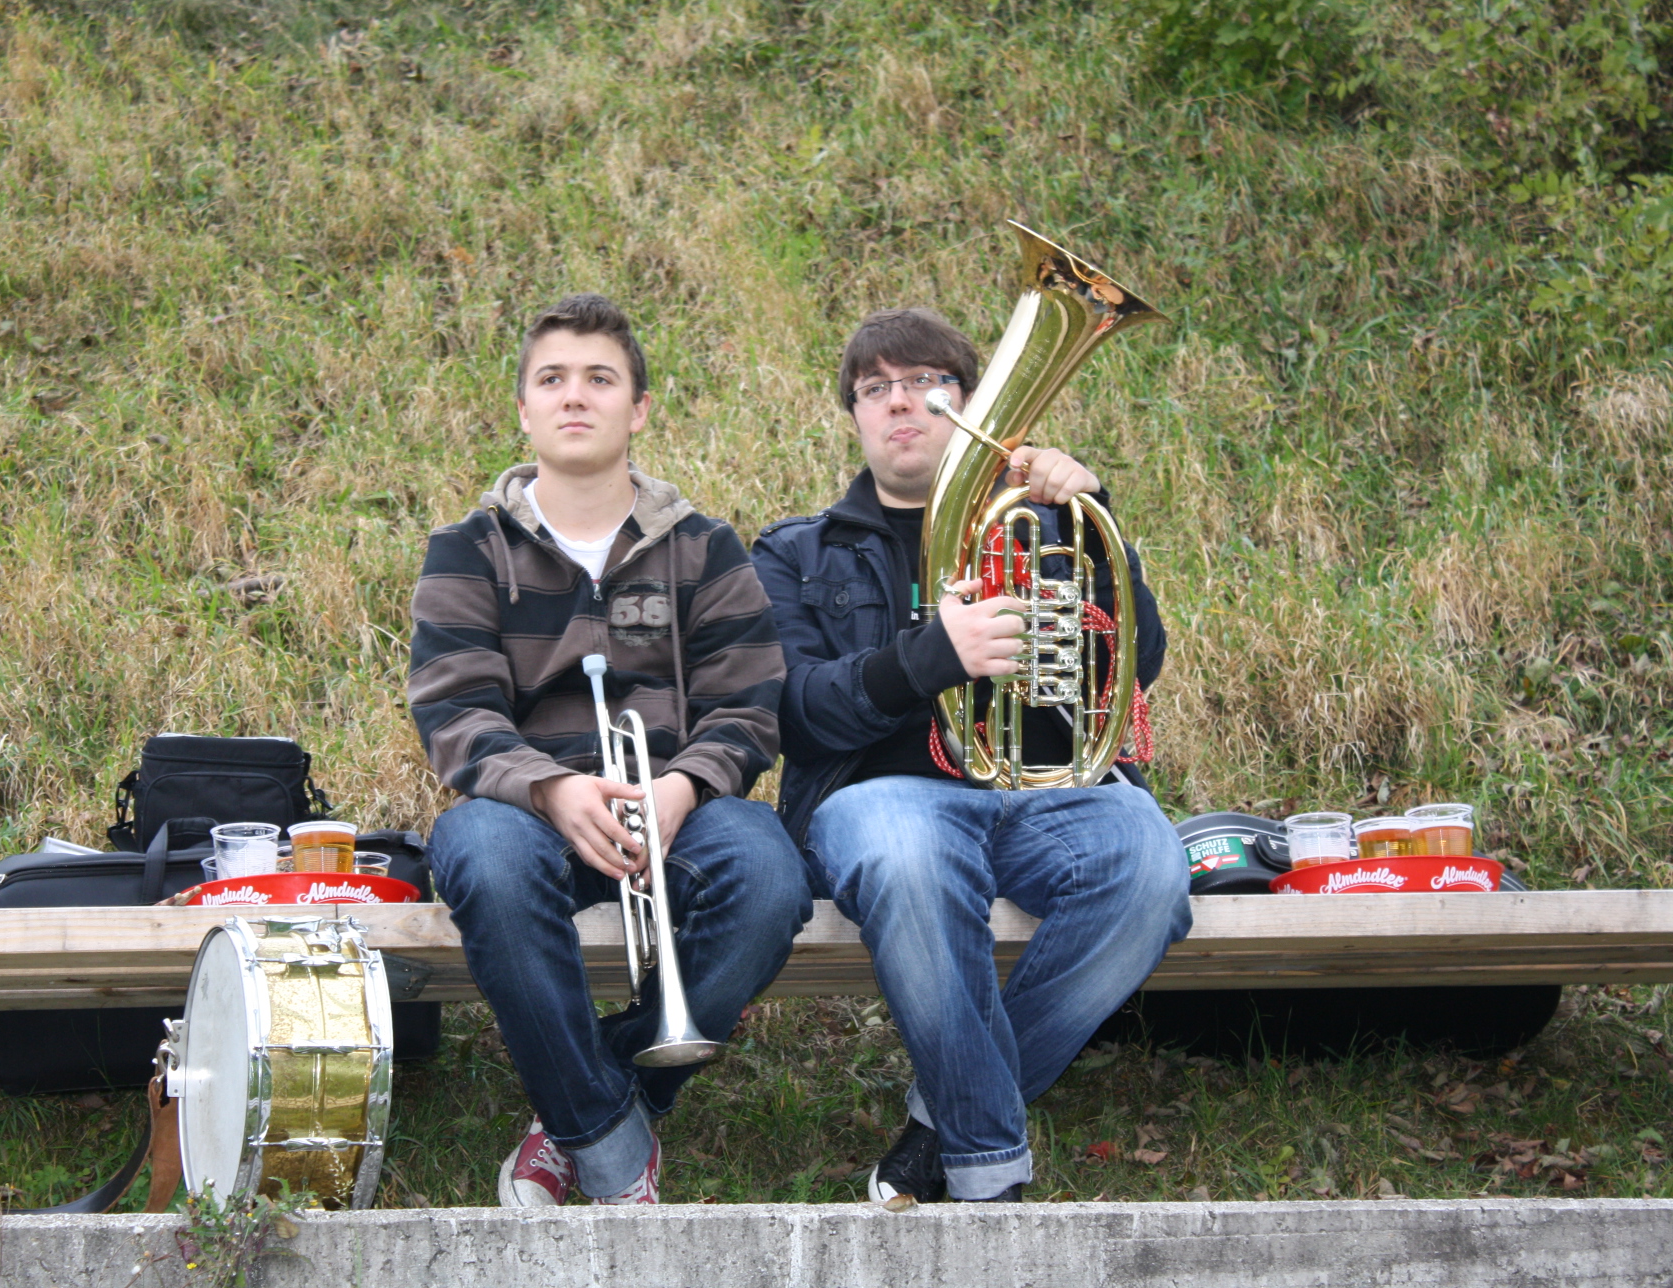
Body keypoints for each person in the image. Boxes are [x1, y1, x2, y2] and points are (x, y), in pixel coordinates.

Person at [749, 307, 1191, 1203]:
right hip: (885, 796)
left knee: (1150, 869)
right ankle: (989, 1170)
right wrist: (931, 658)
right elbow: (793, 712)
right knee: (908, 858)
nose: (900, 402)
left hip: (1051, 794)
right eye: (876, 388)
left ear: (972, 404)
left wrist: (1097, 523)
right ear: (855, 415)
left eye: (927, 382)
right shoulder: (795, 552)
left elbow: (1136, 668)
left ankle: (939, 1122)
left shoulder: (1049, 526)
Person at [409, 293, 812, 1207]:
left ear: (638, 409)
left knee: (769, 876)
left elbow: (749, 702)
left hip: (673, 807)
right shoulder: (468, 550)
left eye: (600, 378)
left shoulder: (703, 547)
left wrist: (685, 786)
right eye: (552, 379)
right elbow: (454, 709)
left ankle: (586, 1108)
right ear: (524, 409)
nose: (575, 395)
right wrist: (551, 790)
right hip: (529, 814)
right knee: (480, 857)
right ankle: (607, 1141)